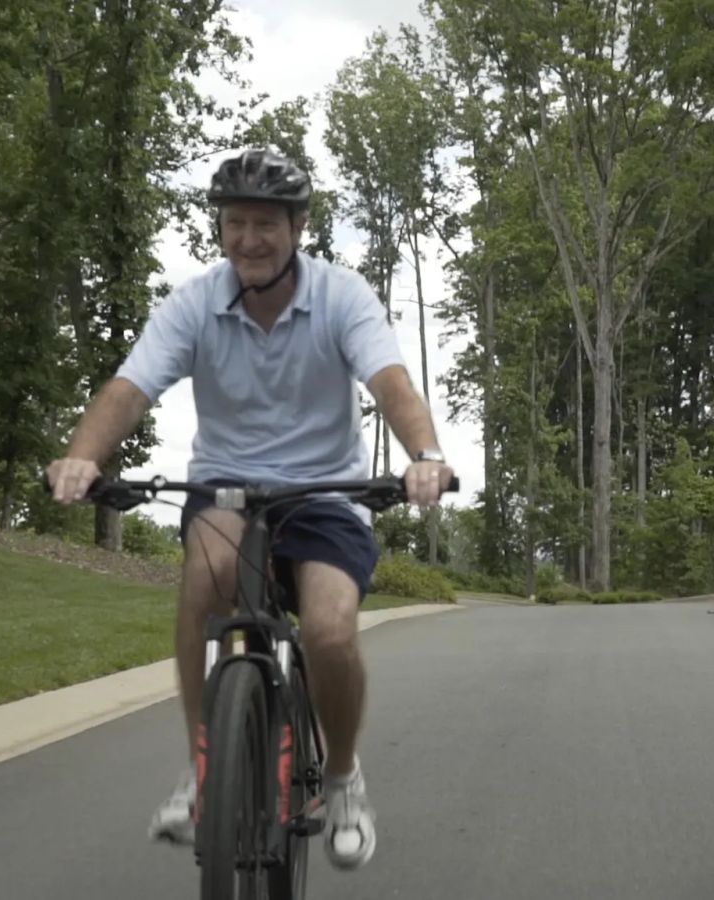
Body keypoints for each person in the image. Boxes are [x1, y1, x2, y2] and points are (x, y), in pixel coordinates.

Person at [47, 148, 453, 871]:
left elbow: (390, 381)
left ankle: (343, 780)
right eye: (235, 223)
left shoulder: (341, 296)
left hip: (327, 493)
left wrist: (423, 454)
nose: (249, 240)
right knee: (205, 581)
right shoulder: (195, 303)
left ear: (298, 228)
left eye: (266, 224)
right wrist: (83, 455)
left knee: (328, 632)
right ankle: (204, 772)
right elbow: (130, 389)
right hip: (227, 486)